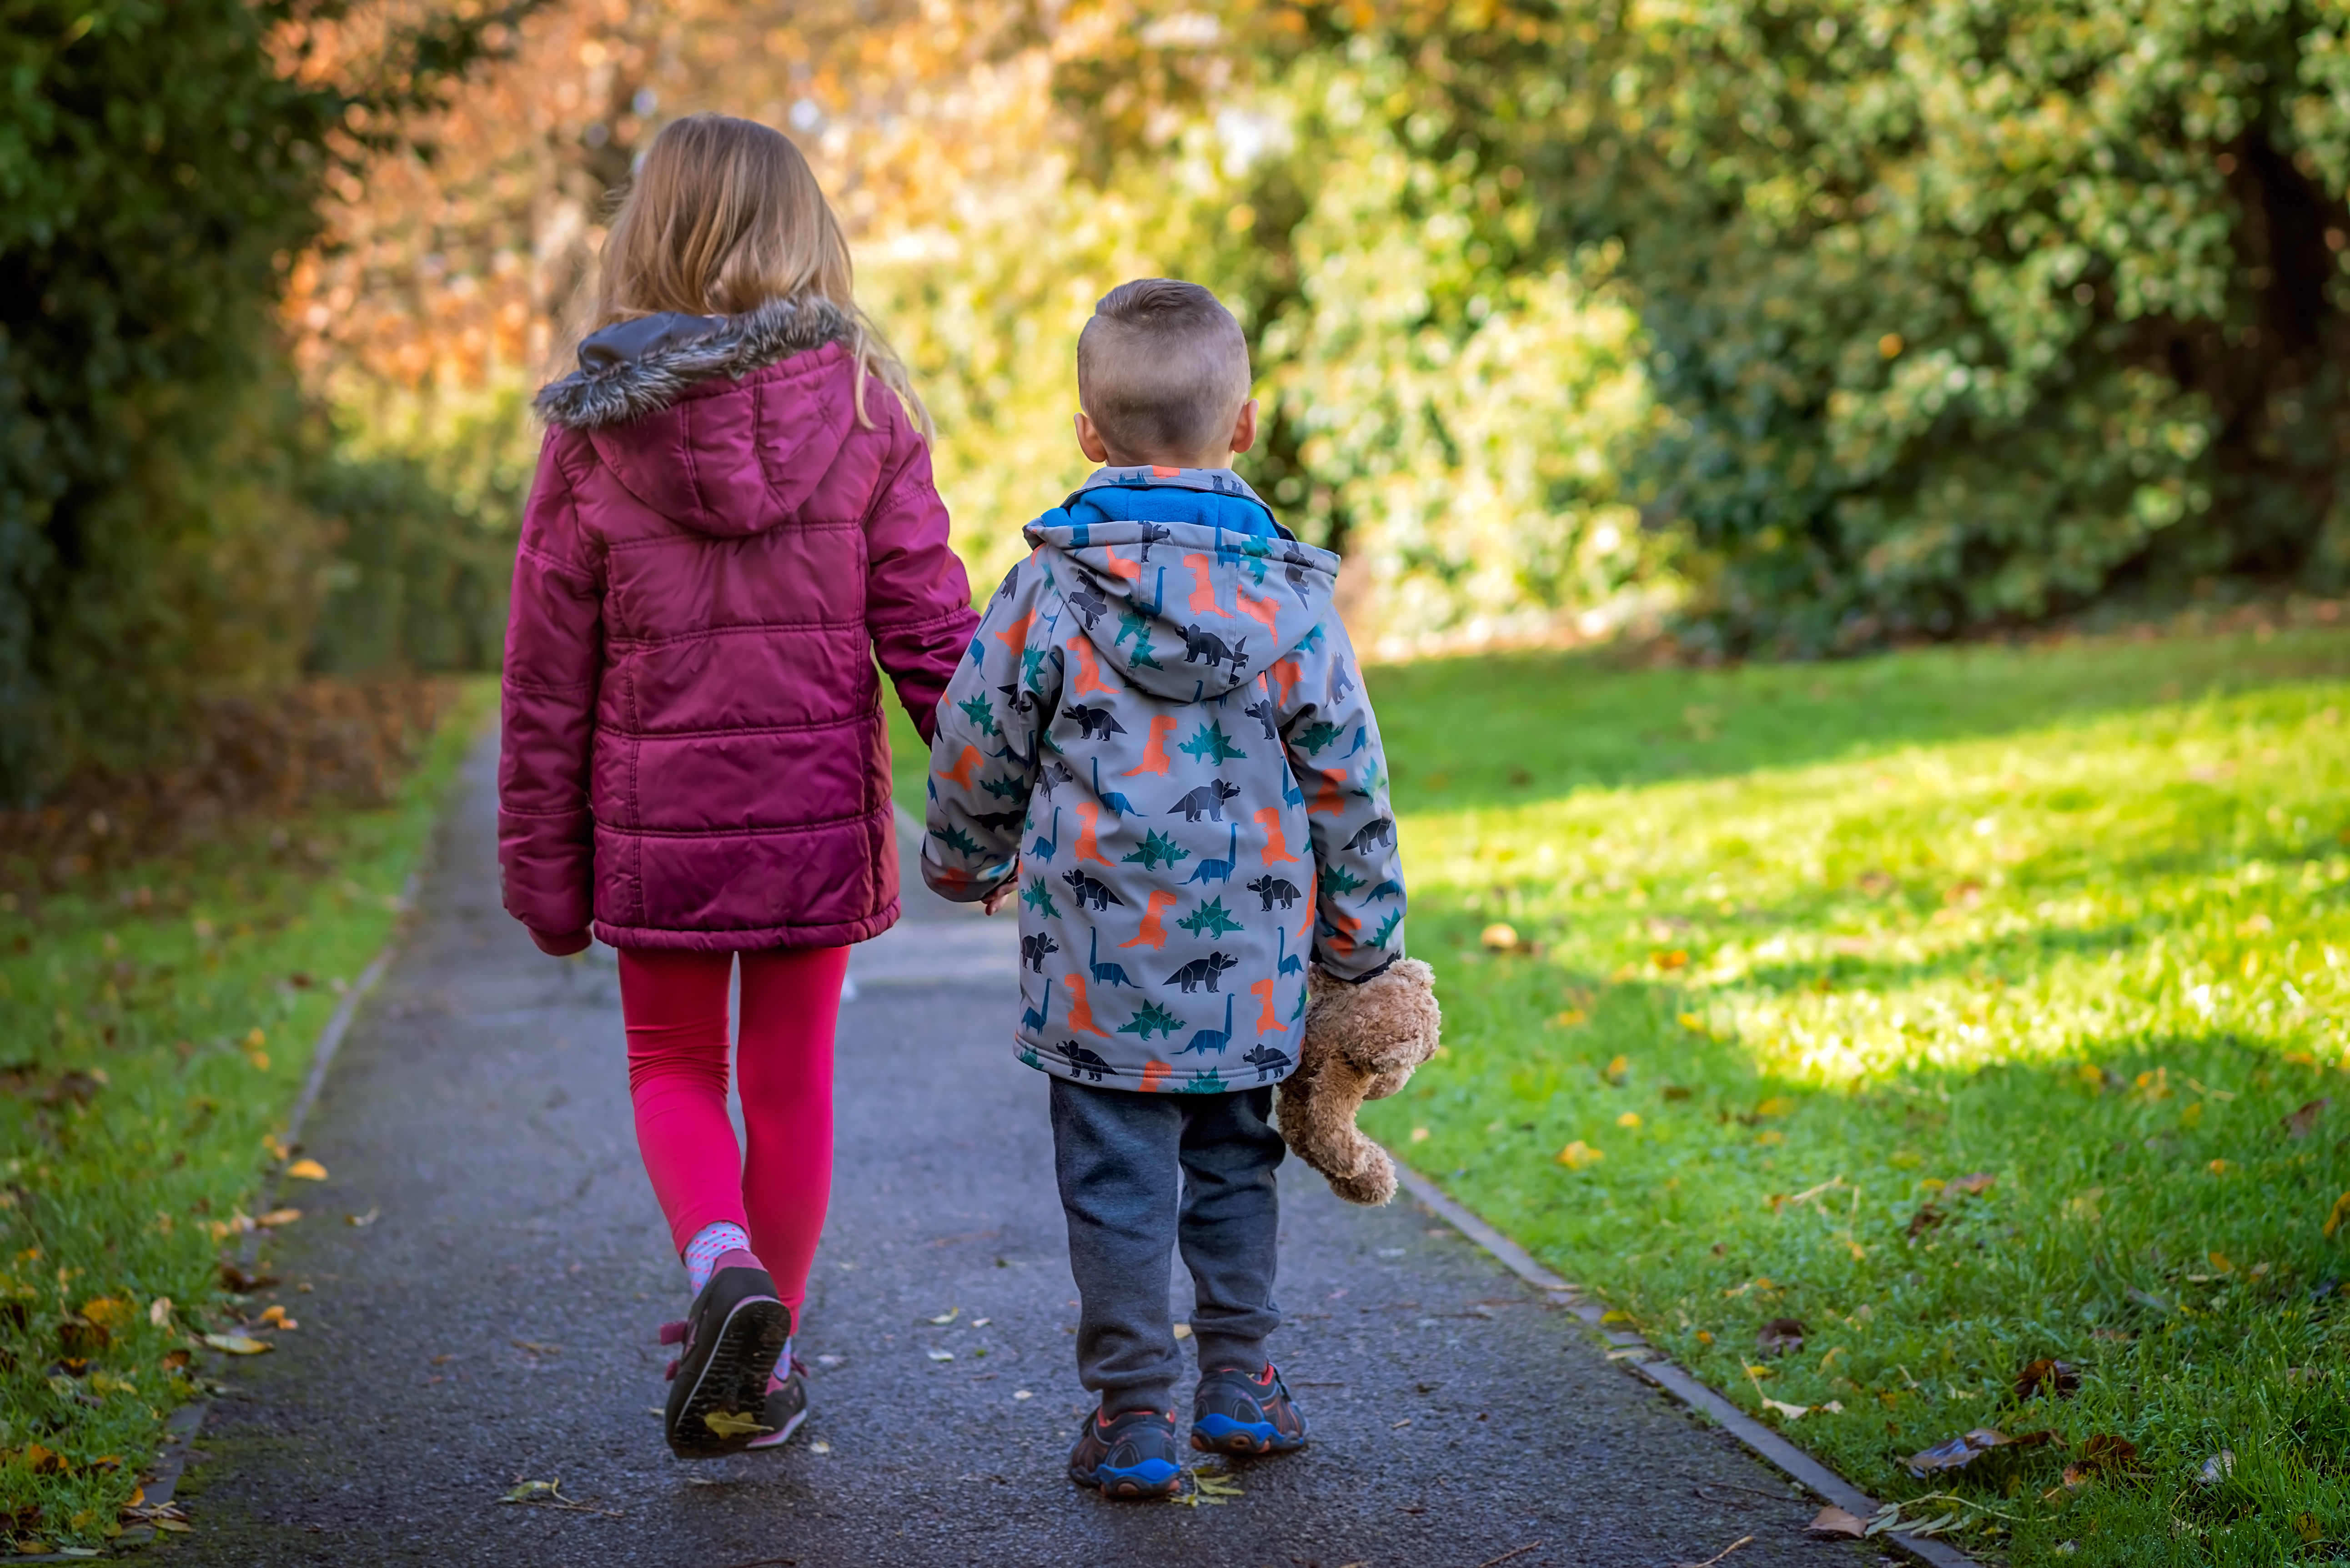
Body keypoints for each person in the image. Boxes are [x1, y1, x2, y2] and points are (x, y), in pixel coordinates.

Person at [500, 113, 976, 1458]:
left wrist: (545, 877)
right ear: (803, 233)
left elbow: (545, 678)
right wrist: (993, 798)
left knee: (671, 1063)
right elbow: (932, 634)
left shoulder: (593, 436)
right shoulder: (871, 406)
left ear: (642, 238)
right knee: (789, 1074)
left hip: (657, 834)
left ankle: (724, 1270)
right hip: (815, 819)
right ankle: (769, 1352)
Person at [923, 279, 1408, 1498]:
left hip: (1094, 970)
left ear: (1091, 436)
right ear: (1242, 426)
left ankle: (1134, 1416)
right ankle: (1241, 1383)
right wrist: (1360, 947)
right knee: (1236, 1162)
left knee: (1114, 1182)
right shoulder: (1292, 604)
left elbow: (977, 740)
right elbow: (1348, 777)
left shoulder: (1046, 590)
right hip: (1246, 973)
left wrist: (964, 859)